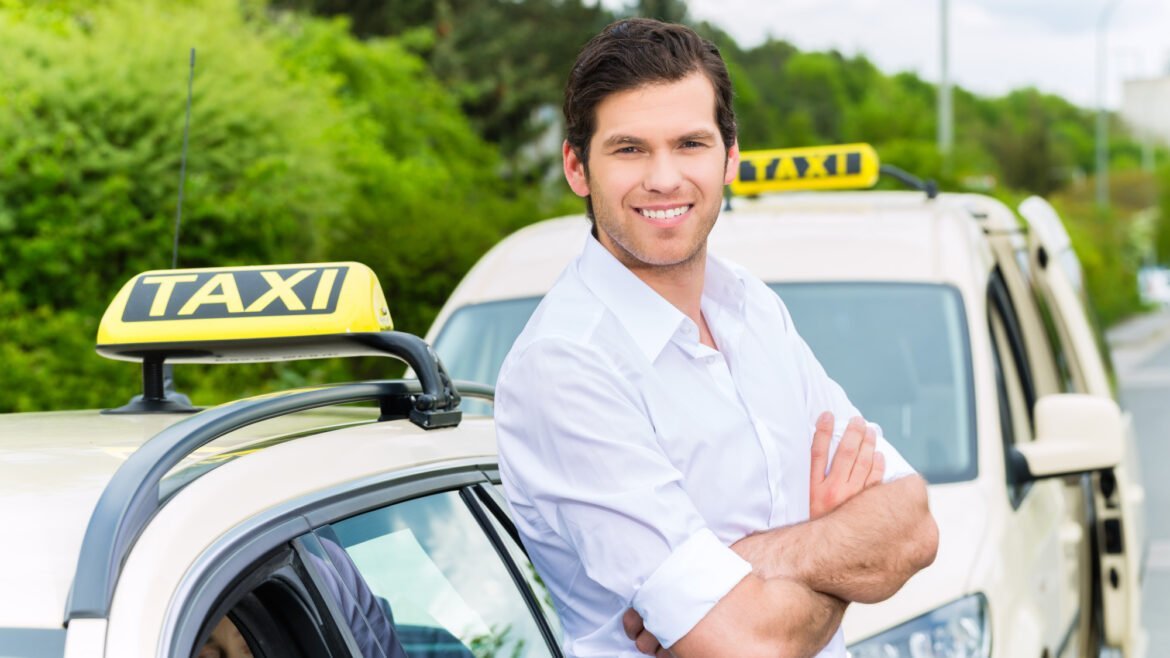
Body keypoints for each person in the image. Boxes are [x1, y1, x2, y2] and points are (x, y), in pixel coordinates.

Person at [494, 17, 938, 658]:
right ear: (576, 168)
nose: (665, 178)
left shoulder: (751, 307)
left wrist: (749, 562)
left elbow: (914, 524)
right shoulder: (566, 366)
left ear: (730, 155)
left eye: (690, 144)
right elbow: (746, 643)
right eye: (629, 149)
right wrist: (847, 559)